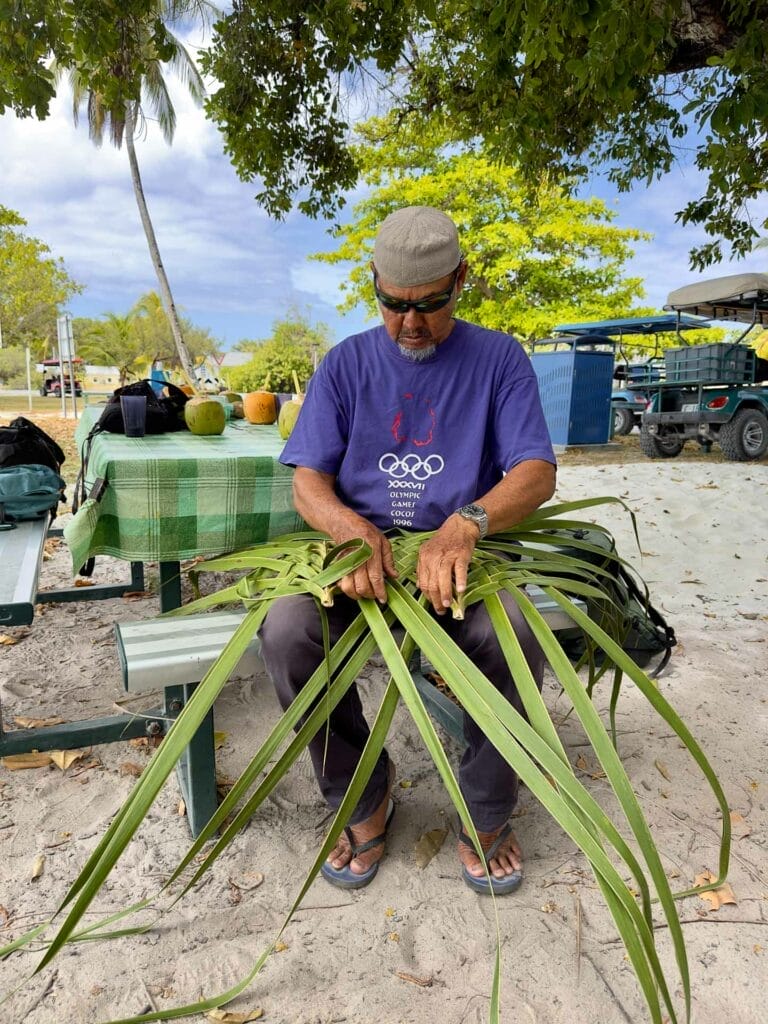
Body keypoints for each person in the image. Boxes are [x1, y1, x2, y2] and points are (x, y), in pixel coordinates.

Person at [259, 206, 557, 894]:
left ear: (462, 279)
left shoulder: (499, 360)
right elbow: (308, 482)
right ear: (374, 283)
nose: (411, 323)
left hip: (459, 559)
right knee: (287, 633)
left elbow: (535, 473)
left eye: (430, 304)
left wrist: (468, 522)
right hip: (361, 561)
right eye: (393, 304)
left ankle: (485, 808)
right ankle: (364, 794)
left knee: (513, 630)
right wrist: (348, 530)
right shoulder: (344, 365)